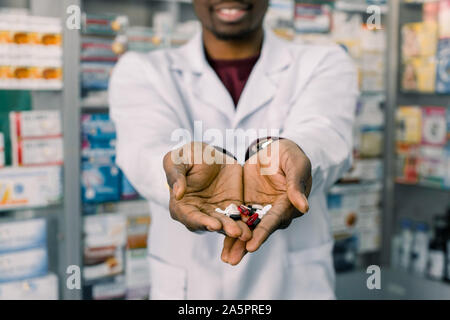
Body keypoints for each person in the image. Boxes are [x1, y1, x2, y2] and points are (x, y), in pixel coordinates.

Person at [109, 0, 358, 299]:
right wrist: (179, 174)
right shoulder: (142, 70)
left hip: (291, 285)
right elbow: (143, 147)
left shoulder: (324, 62)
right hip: (191, 287)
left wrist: (294, 156)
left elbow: (326, 133)